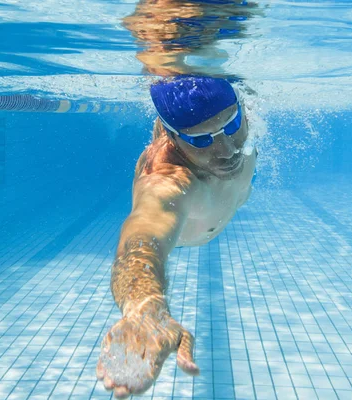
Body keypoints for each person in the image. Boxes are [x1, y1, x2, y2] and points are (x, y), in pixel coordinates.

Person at [96, 76, 257, 398]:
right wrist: (143, 308)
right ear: (172, 137)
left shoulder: (243, 112)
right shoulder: (168, 182)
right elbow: (142, 238)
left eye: (232, 124)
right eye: (200, 140)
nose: (227, 149)